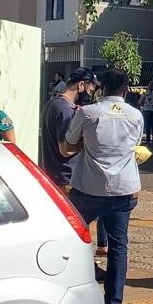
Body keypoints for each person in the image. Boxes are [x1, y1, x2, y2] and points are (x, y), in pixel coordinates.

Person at [61, 69, 142, 304]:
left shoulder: (87, 113)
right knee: (119, 246)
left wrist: (85, 145)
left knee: (74, 239)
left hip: (89, 187)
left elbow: (66, 147)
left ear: (100, 88)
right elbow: (134, 146)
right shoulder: (136, 115)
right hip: (123, 187)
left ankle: (74, 294)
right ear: (126, 89)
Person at [41, 67, 108, 256]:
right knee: (74, 223)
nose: (91, 92)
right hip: (67, 175)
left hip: (55, 172)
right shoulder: (65, 110)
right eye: (90, 88)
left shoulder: (53, 104)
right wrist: (87, 145)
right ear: (80, 85)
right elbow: (65, 149)